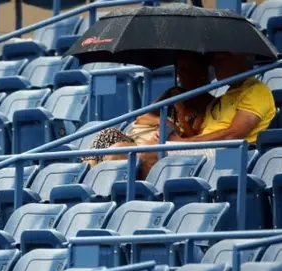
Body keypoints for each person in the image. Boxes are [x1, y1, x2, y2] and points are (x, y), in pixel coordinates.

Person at [82, 51, 214, 178]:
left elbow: (192, 138)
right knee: (106, 135)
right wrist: (161, 121)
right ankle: (90, 176)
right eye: (180, 70)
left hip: (159, 146)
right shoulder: (173, 93)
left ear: (200, 73)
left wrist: (181, 115)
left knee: (117, 151)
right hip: (141, 138)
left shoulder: (206, 103)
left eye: (186, 70)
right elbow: (143, 116)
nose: (181, 75)